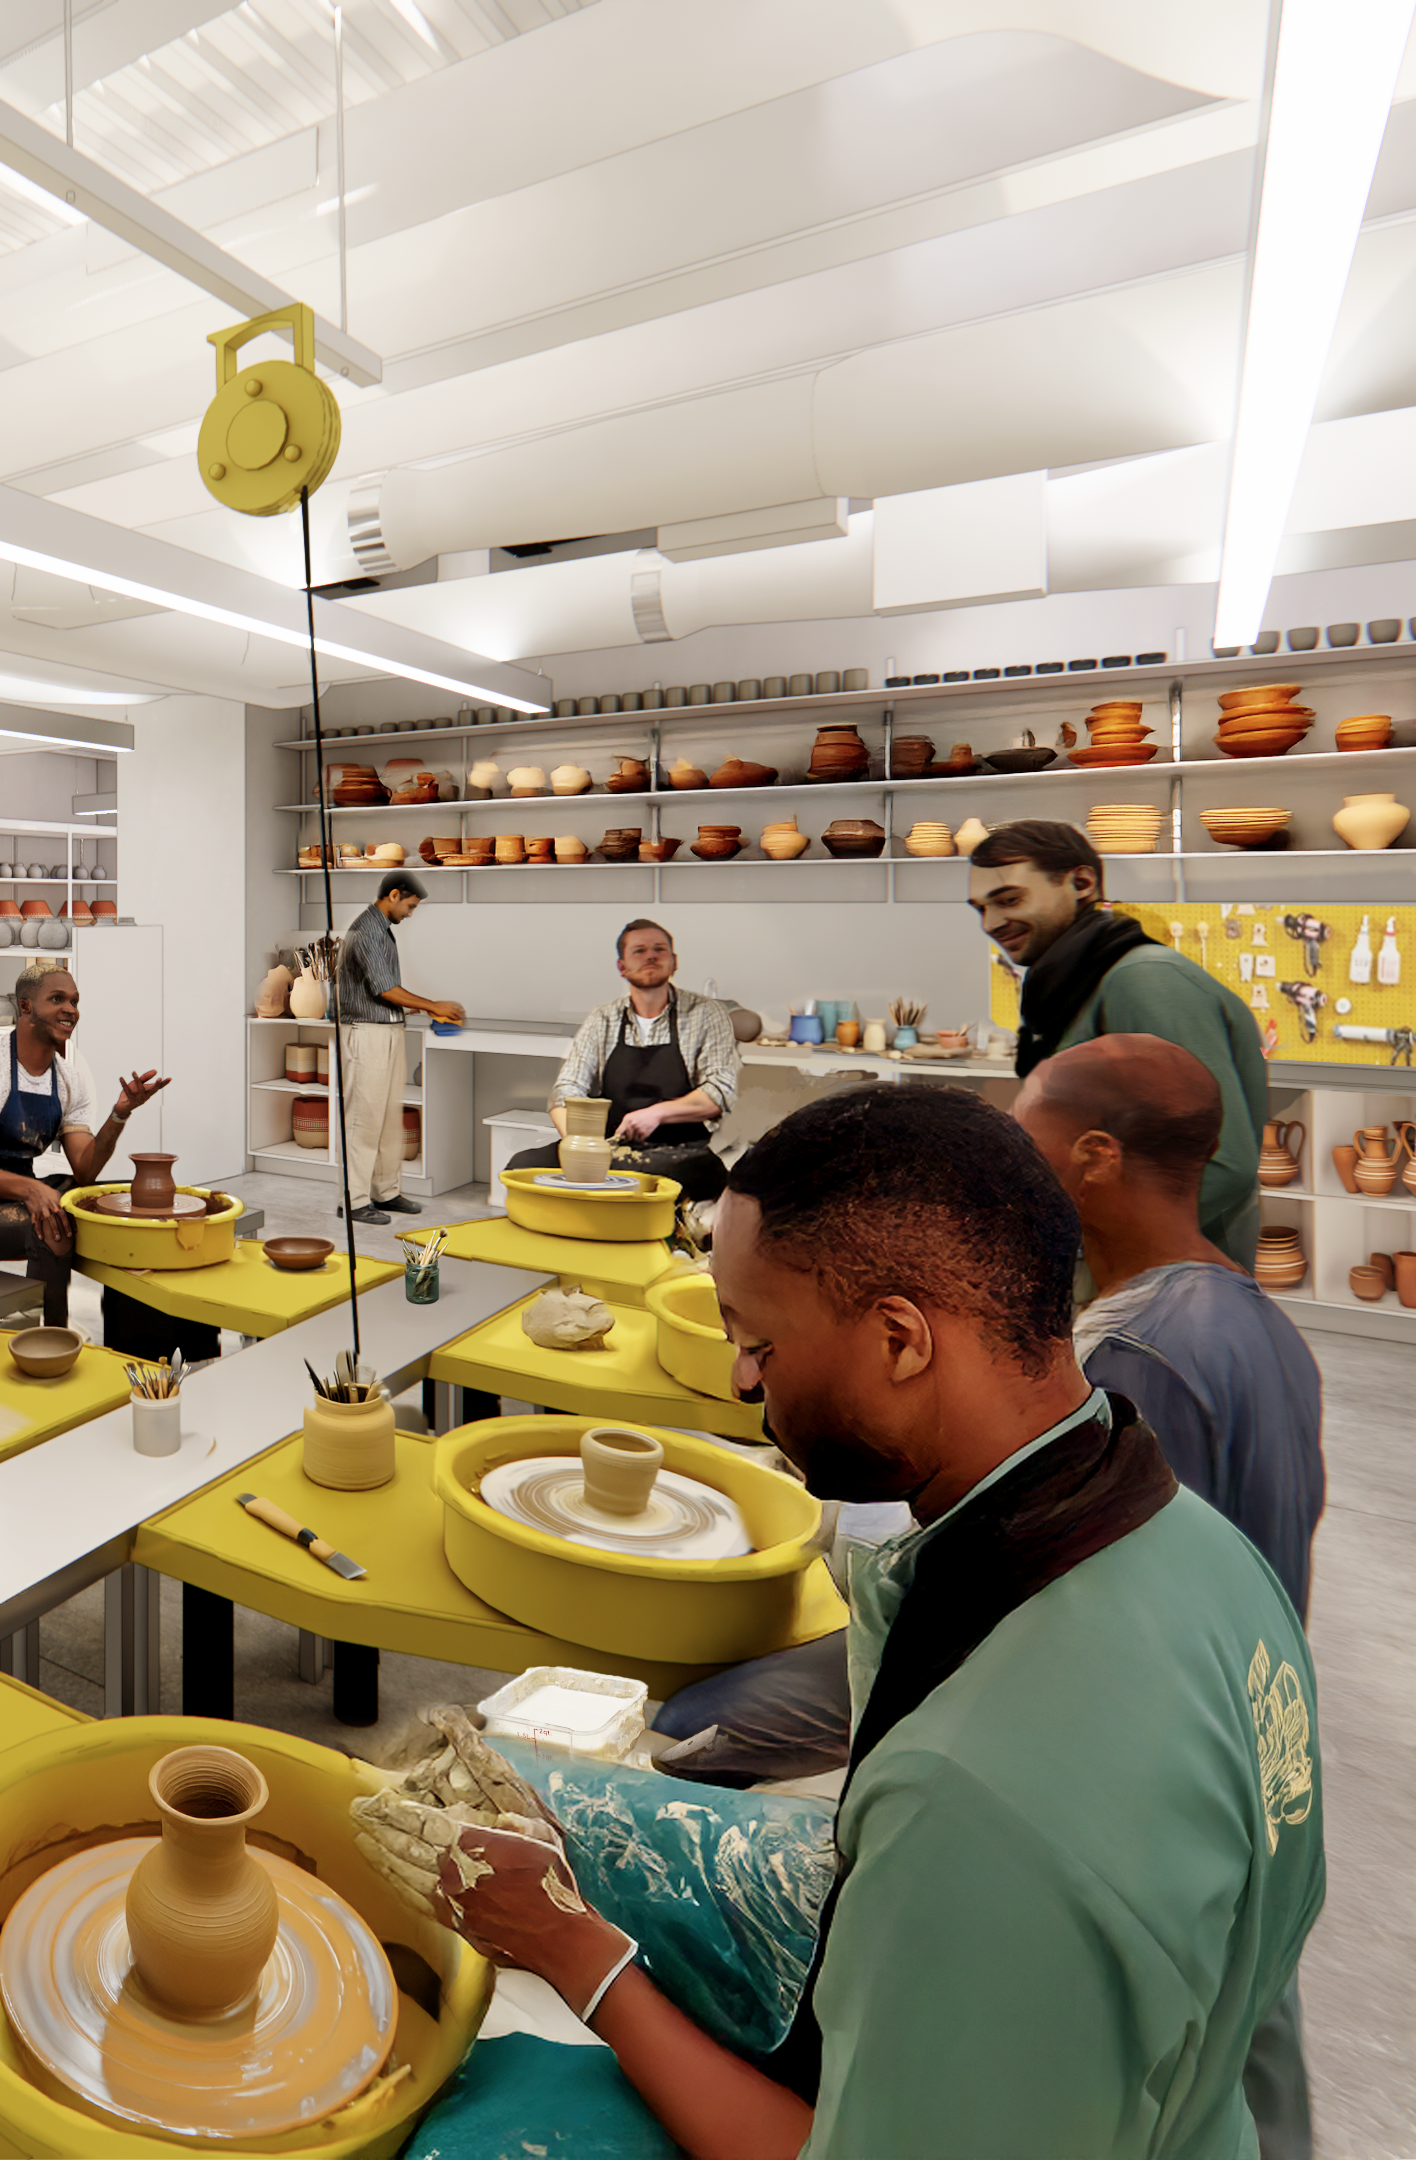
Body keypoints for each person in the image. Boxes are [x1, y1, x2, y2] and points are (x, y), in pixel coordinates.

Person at [401, 1083, 1324, 2160]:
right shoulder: (1206, 1551)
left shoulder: (976, 1805)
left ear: (899, 1340)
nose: (740, 1379)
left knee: (454, 2116)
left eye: (759, 1345)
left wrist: (579, 1959)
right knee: (519, 1788)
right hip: (1156, 2070)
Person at [1016, 1032, 1329, 2160]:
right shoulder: (1254, 1323)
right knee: (1248, 2042)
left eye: (1027, 1138)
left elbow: (1100, 1617)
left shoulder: (1137, 1359)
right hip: (1254, 1744)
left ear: (1094, 1156)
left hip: (1161, 1777)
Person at [966, 820, 1269, 1265]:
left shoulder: (1143, 981)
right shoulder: (1075, 985)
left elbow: (1222, 1162)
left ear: (1081, 883)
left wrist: (1077, 1242)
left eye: (1010, 899)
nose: (991, 924)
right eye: (981, 909)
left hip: (1166, 1277)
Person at [0, 958, 168, 1333]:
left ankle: (136, 1345)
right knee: (52, 1226)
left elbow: (85, 1169)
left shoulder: (69, 1080)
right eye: (57, 999)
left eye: (74, 1001)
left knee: (123, 1207)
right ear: (25, 1007)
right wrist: (31, 1189)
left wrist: (119, 1114)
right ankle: (49, 1341)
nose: (70, 1009)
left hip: (16, 1194)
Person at [506, 917, 744, 1199]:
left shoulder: (706, 1013)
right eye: (639, 951)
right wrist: (578, 1143)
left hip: (679, 1151)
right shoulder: (603, 1018)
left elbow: (720, 1091)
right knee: (523, 1165)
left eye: (659, 949)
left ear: (674, 962)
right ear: (622, 967)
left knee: (679, 1175)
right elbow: (565, 1091)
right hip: (611, 1147)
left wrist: (655, 1114)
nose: (651, 956)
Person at [334, 871, 463, 1224]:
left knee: (388, 1119)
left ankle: (385, 1192)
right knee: (363, 1119)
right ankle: (353, 1201)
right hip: (367, 1035)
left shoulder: (381, 930)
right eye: (410, 906)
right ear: (393, 895)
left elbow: (382, 992)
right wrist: (433, 1004)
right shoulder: (366, 930)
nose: (410, 913)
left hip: (386, 1031)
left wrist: (419, 1008)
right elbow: (384, 988)